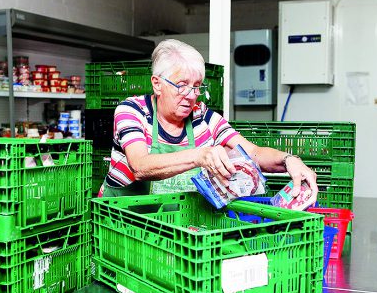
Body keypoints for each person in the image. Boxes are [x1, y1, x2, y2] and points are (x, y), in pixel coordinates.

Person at [99, 39, 317, 199]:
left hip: (174, 226)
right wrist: (199, 156)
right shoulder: (132, 111)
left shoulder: (203, 117)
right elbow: (140, 166)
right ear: (157, 84)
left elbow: (253, 154)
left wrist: (289, 160)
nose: (191, 95)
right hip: (122, 225)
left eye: (197, 86)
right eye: (182, 85)